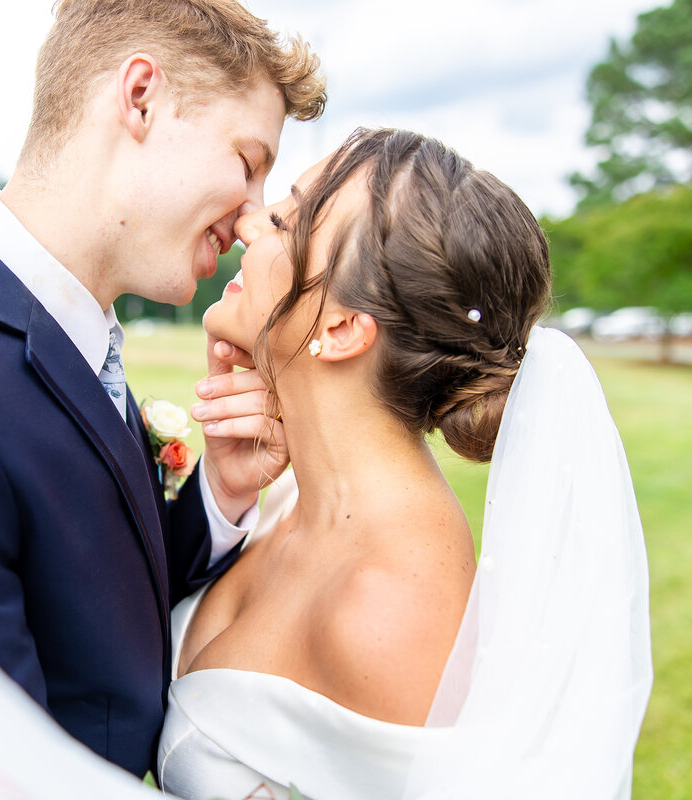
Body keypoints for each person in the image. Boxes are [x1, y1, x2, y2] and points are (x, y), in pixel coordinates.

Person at [0, 0, 326, 777]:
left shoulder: (77, 339)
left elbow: (94, 611)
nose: (252, 220)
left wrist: (219, 487)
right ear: (140, 96)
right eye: (247, 163)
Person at [158, 128, 652, 799]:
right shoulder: (285, 497)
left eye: (287, 218)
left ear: (340, 330)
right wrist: (220, 491)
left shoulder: (389, 611)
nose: (250, 223)